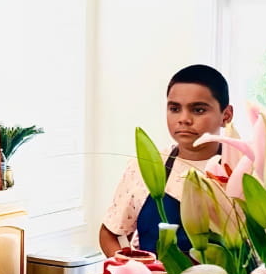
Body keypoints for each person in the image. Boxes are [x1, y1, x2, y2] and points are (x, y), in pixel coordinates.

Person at [99, 64, 234, 257]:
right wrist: (133, 271)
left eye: (198, 110)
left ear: (226, 115)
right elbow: (109, 234)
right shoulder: (145, 166)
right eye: (174, 108)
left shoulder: (242, 170)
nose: (184, 119)